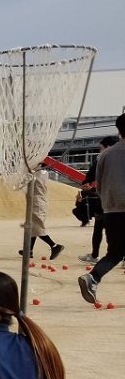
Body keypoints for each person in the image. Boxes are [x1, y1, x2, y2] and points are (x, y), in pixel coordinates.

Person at [78, 113, 125, 304]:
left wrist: (108, 204)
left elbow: (100, 184)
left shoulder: (105, 155)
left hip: (112, 211)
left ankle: (93, 277)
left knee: (114, 253)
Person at [78, 136, 117, 262]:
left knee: (100, 227)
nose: (100, 151)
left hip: (105, 200)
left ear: (108, 147)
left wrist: (86, 183)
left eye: (101, 148)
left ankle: (95, 256)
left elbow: (92, 174)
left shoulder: (103, 157)